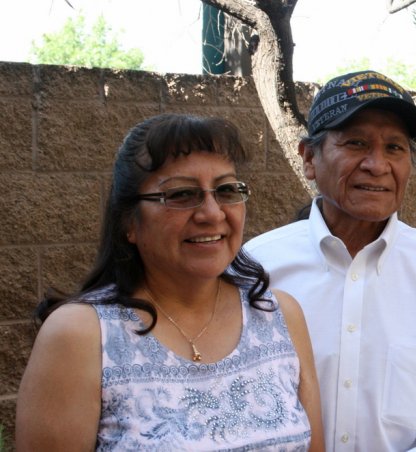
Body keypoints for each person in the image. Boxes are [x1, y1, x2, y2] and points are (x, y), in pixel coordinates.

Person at [16, 114, 324, 451]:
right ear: (128, 223)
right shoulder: (81, 335)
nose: (212, 213)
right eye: (180, 194)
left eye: (226, 190)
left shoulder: (279, 315)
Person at [244, 70, 416, 451]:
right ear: (309, 158)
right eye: (356, 143)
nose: (377, 164)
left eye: (395, 148)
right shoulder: (257, 269)